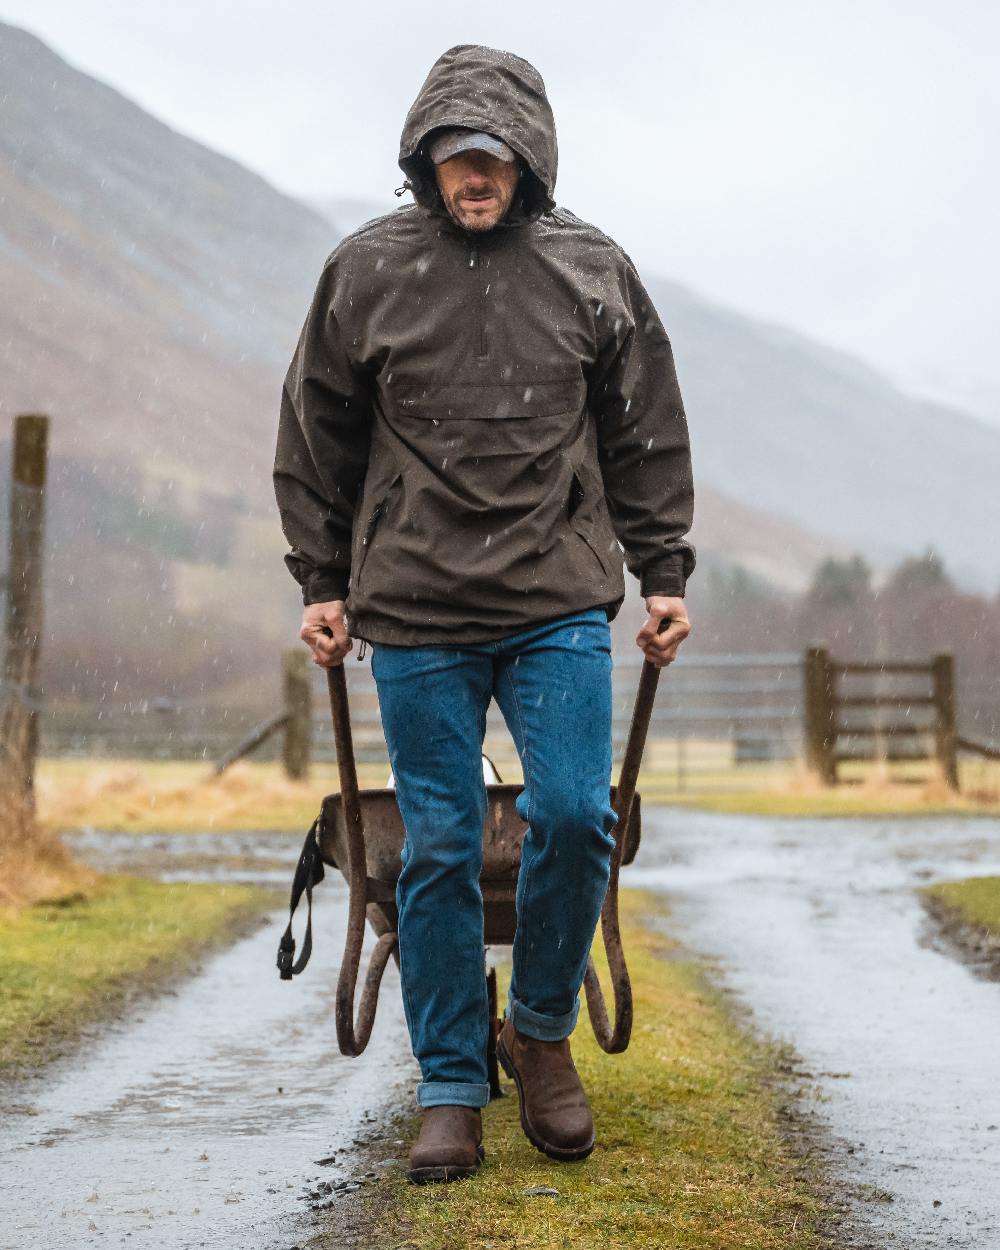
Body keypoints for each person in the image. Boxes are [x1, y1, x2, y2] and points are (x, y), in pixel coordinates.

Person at [273, 43, 695, 1184]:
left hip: (557, 596)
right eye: (457, 156)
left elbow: (642, 428)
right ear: (426, 158)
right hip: (410, 606)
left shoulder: (589, 268)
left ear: (528, 160)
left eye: (494, 156)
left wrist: (663, 573)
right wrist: (322, 582)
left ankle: (541, 1034)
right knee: (444, 842)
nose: (475, 174)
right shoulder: (365, 270)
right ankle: (451, 1080)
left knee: (570, 815)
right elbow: (317, 433)